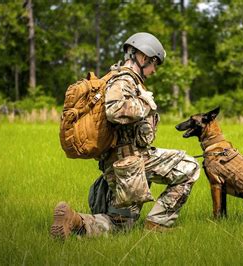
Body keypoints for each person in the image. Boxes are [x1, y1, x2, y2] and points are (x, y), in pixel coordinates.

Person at [50, 32, 200, 238]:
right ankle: (159, 223)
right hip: (131, 160)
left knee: (120, 226)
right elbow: (115, 111)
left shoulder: (114, 78)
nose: (155, 70)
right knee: (189, 166)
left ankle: (75, 220)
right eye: (154, 63)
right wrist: (146, 102)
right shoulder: (124, 80)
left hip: (118, 164)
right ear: (143, 57)